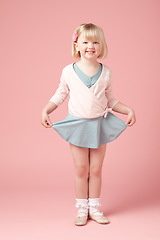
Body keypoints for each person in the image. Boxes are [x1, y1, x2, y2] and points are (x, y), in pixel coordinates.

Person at [41, 23, 136, 226]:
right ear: (76, 45)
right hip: (77, 124)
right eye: (85, 42)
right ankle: (82, 208)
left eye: (95, 42)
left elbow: (110, 100)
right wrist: (46, 110)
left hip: (100, 125)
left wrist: (128, 109)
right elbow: (60, 94)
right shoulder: (68, 71)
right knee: (81, 168)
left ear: (101, 46)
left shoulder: (107, 72)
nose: (90, 46)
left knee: (96, 169)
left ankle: (94, 207)